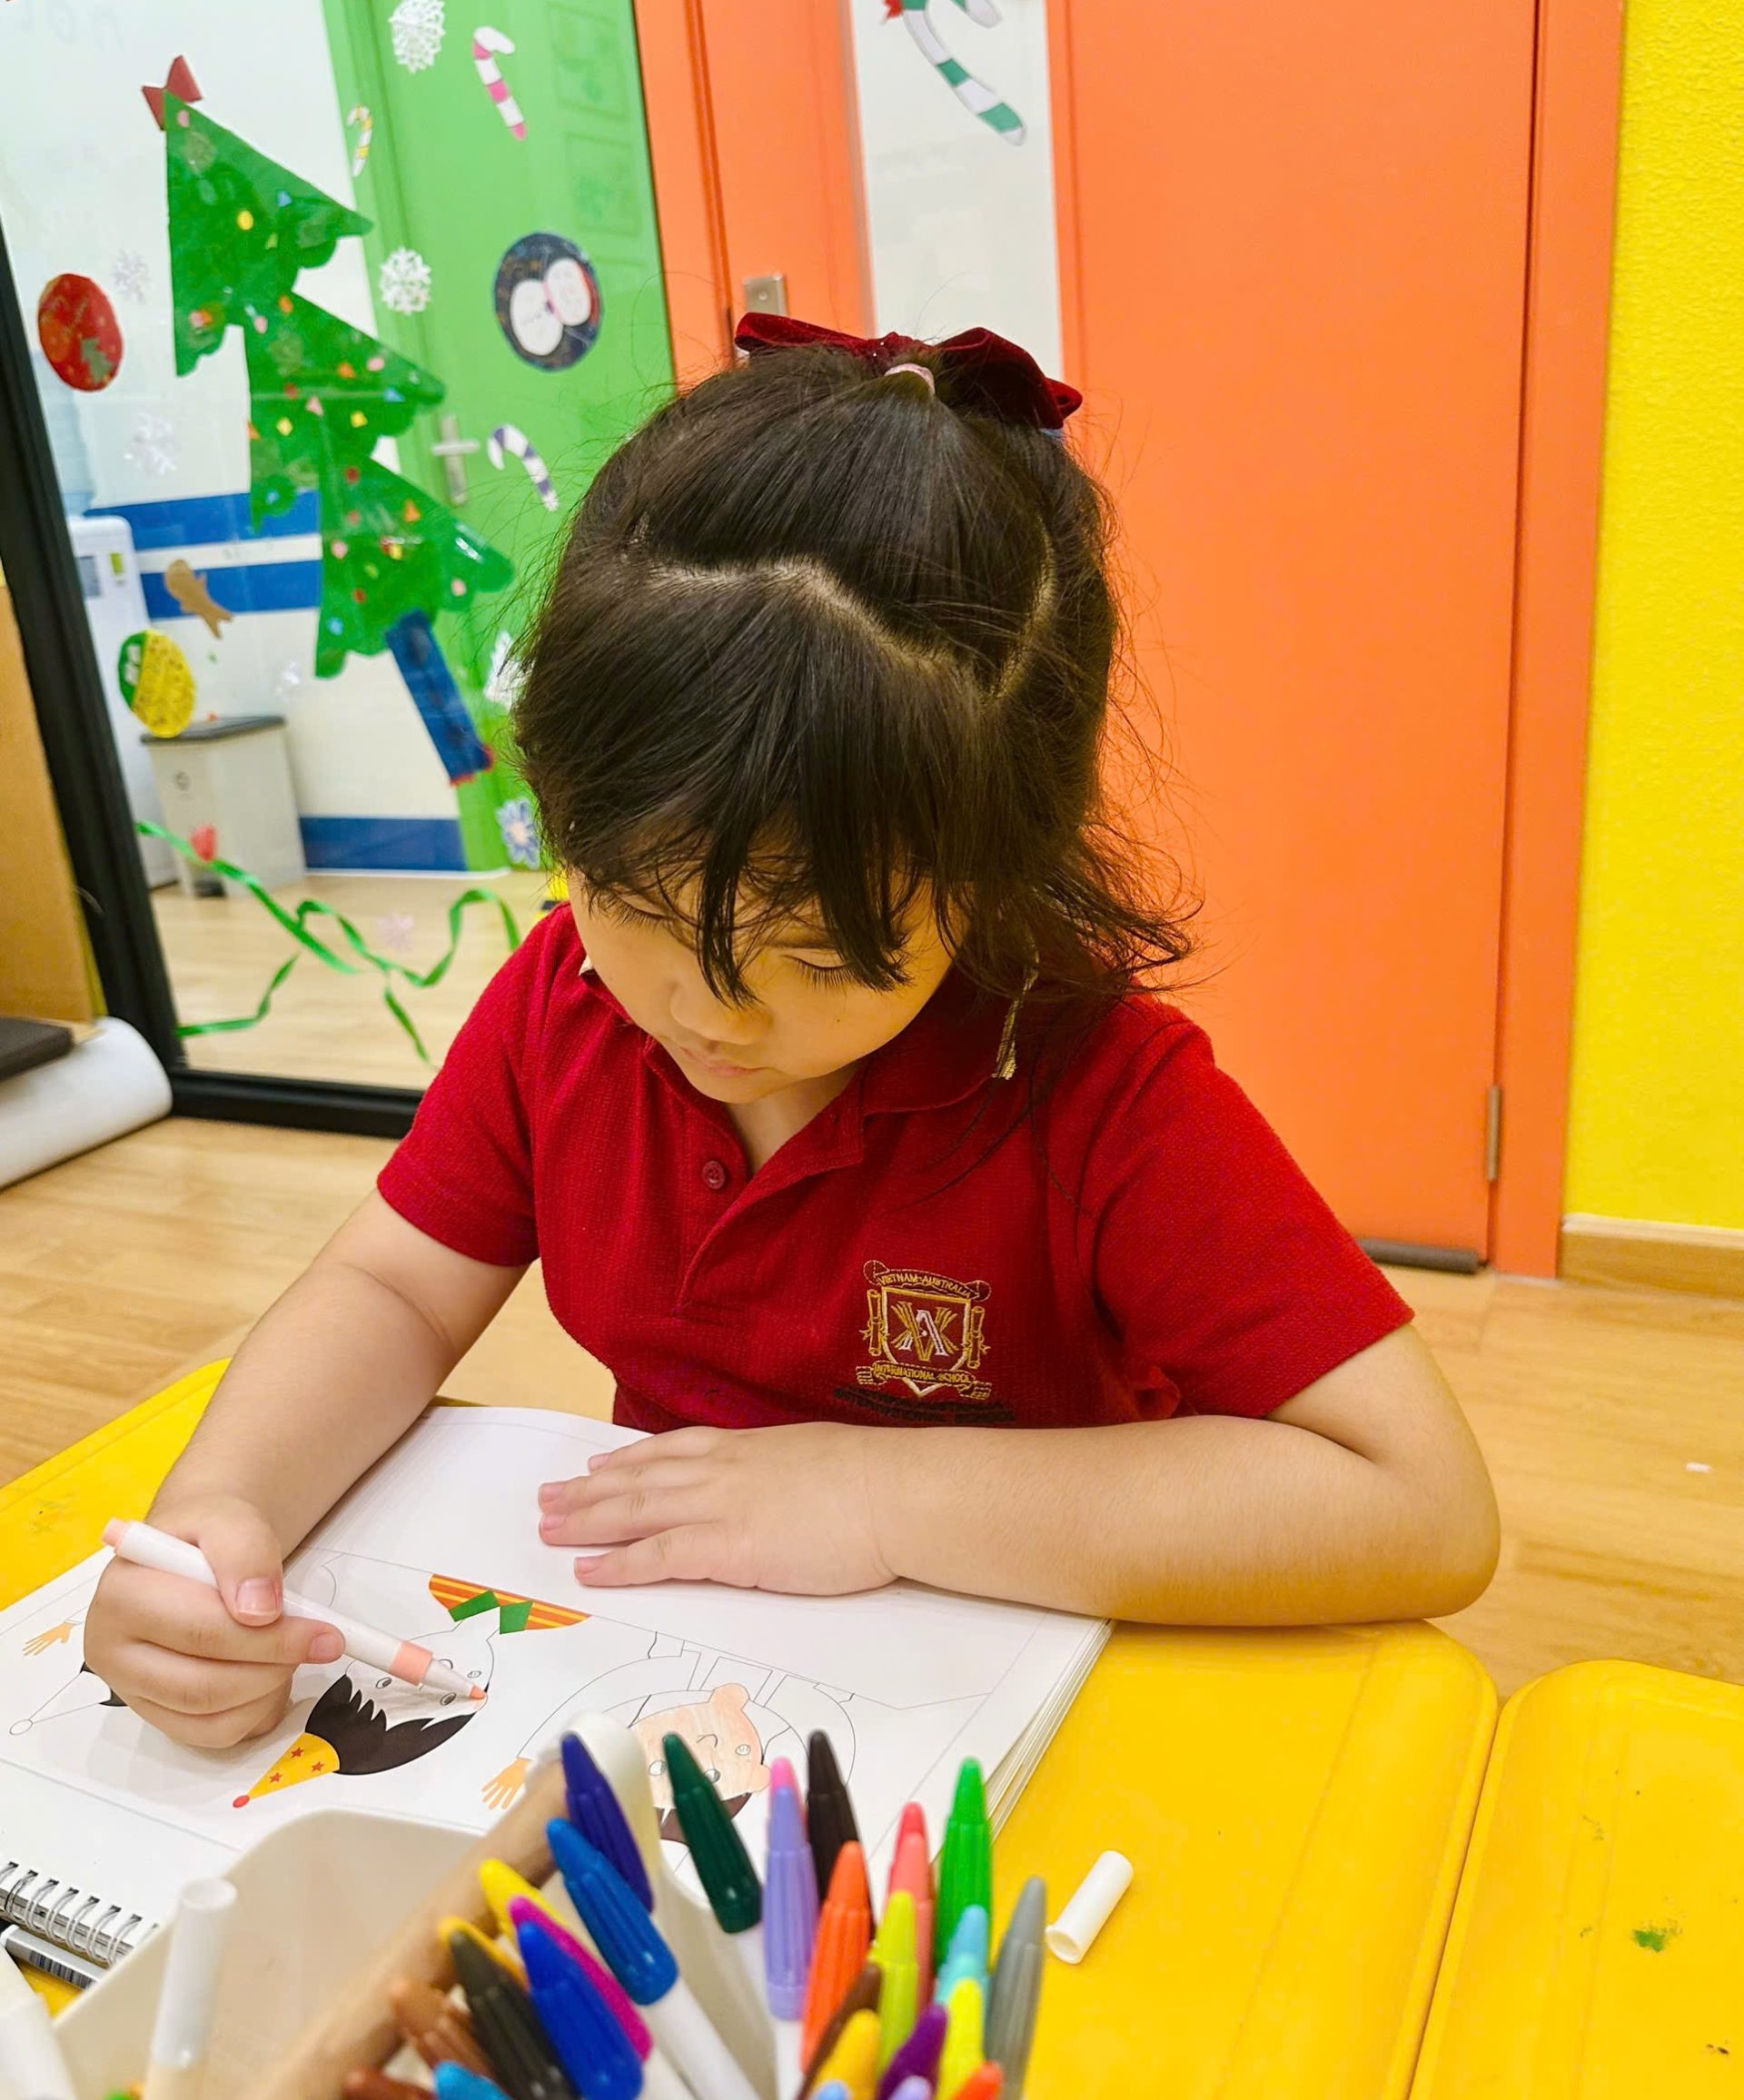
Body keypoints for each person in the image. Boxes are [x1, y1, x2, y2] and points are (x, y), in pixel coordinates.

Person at [85, 315, 1498, 1749]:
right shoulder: (563, 1005)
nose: (709, 1012)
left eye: (822, 957)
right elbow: (393, 1291)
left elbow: (1421, 1507)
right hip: (678, 1686)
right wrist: (219, 1515)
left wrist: (880, 1494)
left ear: (995, 877)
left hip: (1014, 1725)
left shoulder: (1105, 1100)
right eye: (638, 902)